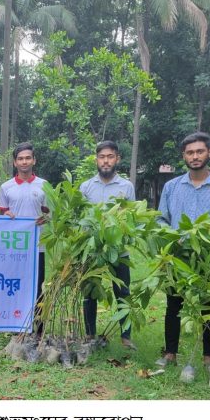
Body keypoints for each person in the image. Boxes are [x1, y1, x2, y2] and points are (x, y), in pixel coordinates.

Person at [156, 132, 210, 367]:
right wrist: (169, 238)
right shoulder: (171, 187)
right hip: (178, 254)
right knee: (173, 303)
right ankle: (170, 354)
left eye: (199, 151)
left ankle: (208, 357)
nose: (195, 156)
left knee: (209, 305)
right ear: (183, 156)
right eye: (190, 152)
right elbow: (161, 219)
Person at [79, 141, 137, 350]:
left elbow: (131, 218)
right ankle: (90, 335)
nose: (106, 161)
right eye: (102, 157)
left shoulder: (126, 187)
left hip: (117, 249)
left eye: (110, 156)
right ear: (96, 159)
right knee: (89, 292)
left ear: (117, 159)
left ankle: (126, 337)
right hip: (92, 249)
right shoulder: (86, 187)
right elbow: (81, 219)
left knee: (122, 291)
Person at [0, 142, 48, 332]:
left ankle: (39, 327)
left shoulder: (44, 185)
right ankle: (15, 323)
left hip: (37, 246)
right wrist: (6, 216)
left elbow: (50, 213)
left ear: (34, 160)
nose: (24, 162)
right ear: (14, 162)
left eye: (28, 158)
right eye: (20, 158)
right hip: (14, 246)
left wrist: (46, 219)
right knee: (15, 284)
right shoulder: (6, 187)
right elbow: (2, 213)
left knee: (37, 286)